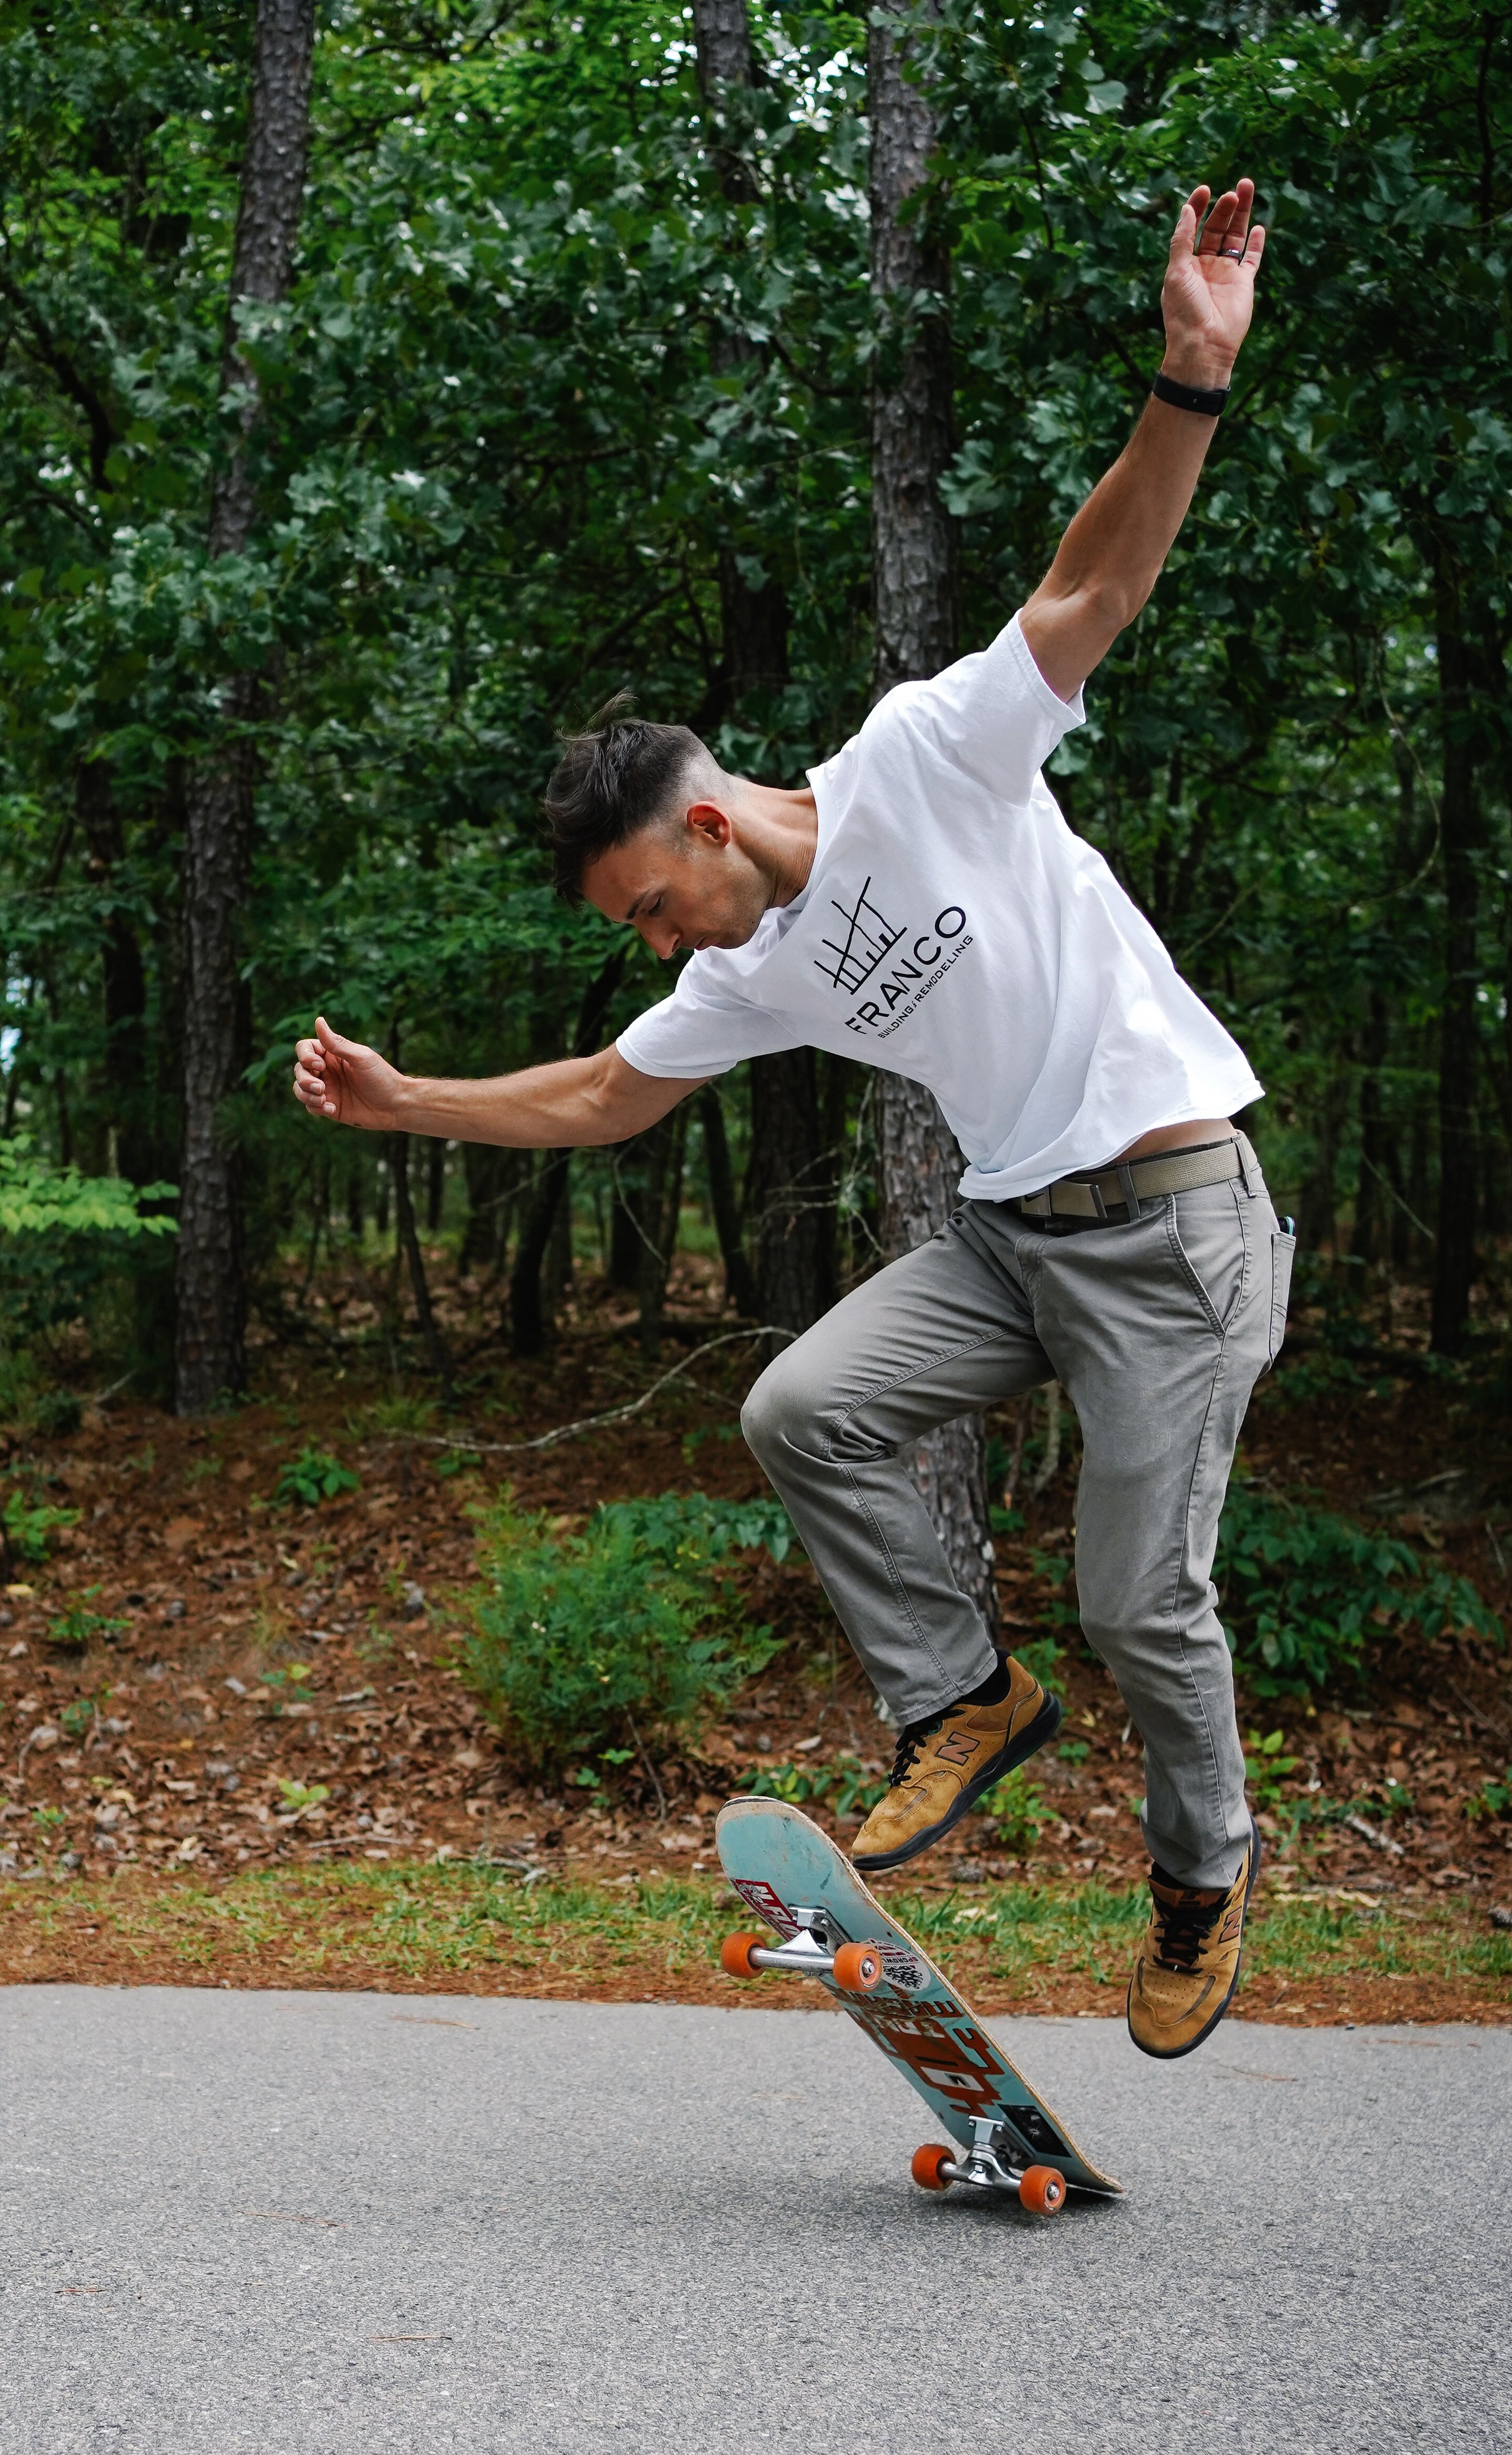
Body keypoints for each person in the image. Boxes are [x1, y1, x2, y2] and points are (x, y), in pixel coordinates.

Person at [294, 178, 1291, 2063]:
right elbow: (603, 1091)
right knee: (800, 1404)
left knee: (1137, 1598)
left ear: (700, 823)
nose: (659, 947)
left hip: (1171, 1213)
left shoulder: (929, 752)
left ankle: (1201, 1865)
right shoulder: (746, 969)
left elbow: (1091, 586)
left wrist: (1188, 376)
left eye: (649, 910)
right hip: (1015, 1234)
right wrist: (405, 1095)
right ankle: (962, 1701)